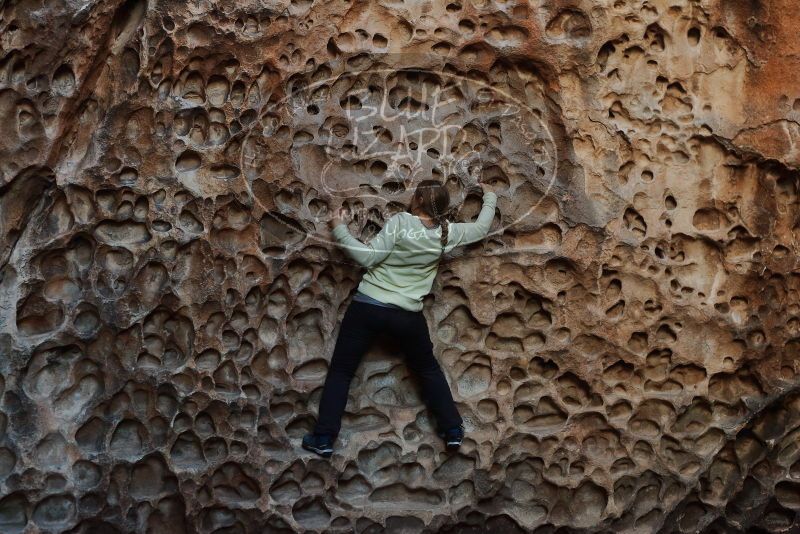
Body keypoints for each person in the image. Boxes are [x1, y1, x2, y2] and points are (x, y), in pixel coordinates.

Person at [301, 179, 499, 458]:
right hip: (407, 315)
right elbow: (480, 228)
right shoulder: (446, 233)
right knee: (428, 369)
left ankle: (323, 438)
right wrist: (490, 196)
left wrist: (339, 229)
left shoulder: (401, 222)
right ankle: (453, 430)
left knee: (342, 371)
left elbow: (369, 259)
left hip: (369, 306)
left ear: (416, 199)